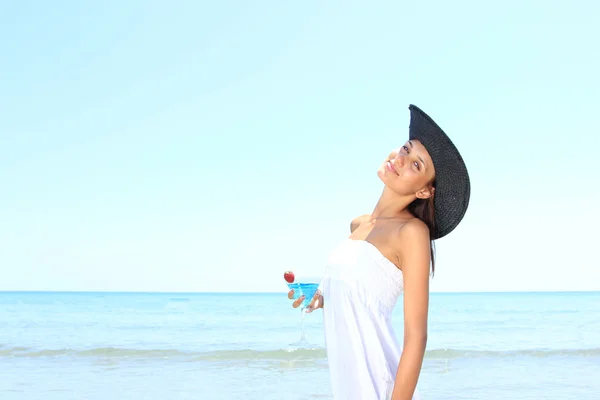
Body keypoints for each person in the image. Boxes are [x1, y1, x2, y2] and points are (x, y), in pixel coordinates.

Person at [287, 104, 471, 400]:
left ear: (424, 191)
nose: (402, 160)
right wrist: (319, 298)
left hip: (381, 388)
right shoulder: (358, 225)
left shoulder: (412, 233)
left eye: (416, 165)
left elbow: (416, 338)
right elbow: (359, 296)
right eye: (406, 150)